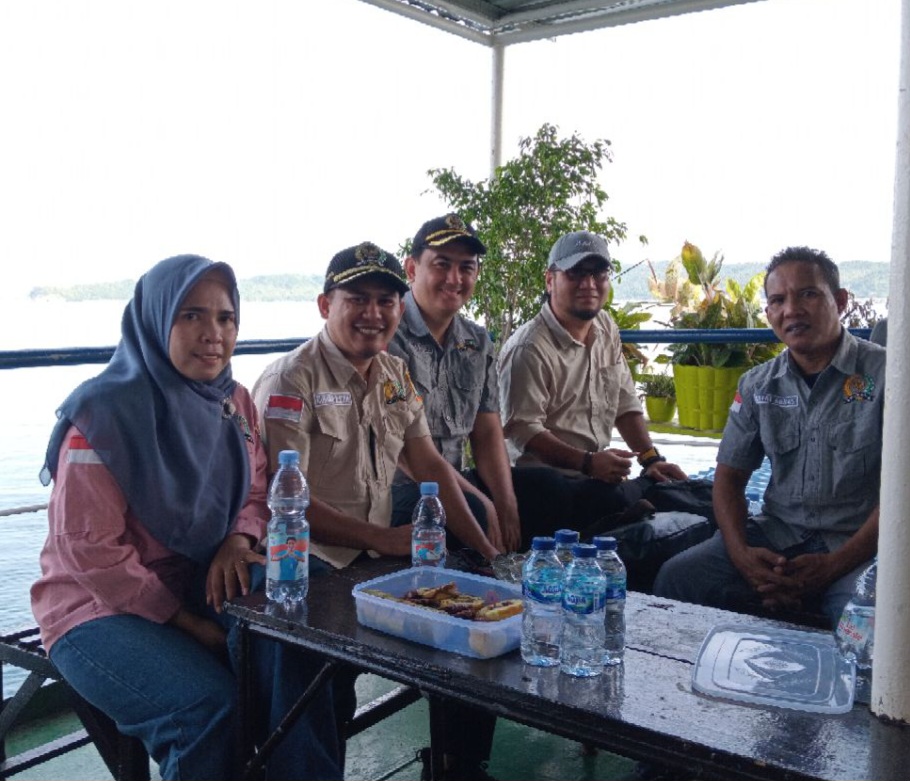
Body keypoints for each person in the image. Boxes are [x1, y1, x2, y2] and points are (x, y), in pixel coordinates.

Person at [31, 255, 341, 780]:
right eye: (191, 315)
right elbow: (90, 550)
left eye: (225, 317)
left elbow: (257, 488)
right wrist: (187, 623)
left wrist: (237, 541)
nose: (213, 333)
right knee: (208, 708)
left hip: (199, 577)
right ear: (155, 321)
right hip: (95, 606)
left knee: (299, 633)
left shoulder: (233, 403)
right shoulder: (105, 414)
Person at [252, 242, 502, 779]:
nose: (373, 313)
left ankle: (458, 763)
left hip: (374, 558)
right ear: (325, 306)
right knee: (307, 657)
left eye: (386, 301)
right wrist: (384, 539)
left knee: (470, 609)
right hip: (308, 558)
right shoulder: (292, 380)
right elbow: (285, 502)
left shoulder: (393, 373)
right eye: (357, 299)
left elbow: (428, 463)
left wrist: (488, 554)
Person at [653, 246, 883, 625]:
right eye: (777, 300)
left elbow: (900, 497)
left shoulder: (888, 375)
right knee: (678, 578)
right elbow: (728, 480)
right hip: (777, 536)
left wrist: (832, 566)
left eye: (808, 294)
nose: (791, 310)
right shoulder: (757, 385)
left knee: (873, 622)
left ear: (840, 301)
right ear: (769, 314)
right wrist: (743, 557)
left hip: (858, 547)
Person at [389, 214, 573, 553]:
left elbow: (487, 433)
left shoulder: (475, 341)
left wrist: (506, 502)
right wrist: (482, 502)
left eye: (466, 267)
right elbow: (408, 456)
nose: (454, 279)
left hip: (457, 478)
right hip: (400, 489)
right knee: (472, 509)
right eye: (442, 265)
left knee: (549, 488)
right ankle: (486, 570)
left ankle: (535, 575)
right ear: (412, 269)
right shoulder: (387, 334)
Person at [498, 230, 687, 534]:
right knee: (593, 496)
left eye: (599, 273)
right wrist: (587, 463)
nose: (588, 284)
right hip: (543, 485)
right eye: (575, 273)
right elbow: (523, 430)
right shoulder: (529, 348)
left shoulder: (605, 326)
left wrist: (651, 459)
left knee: (675, 489)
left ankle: (628, 505)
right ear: (550, 280)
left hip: (594, 477)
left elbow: (624, 401)